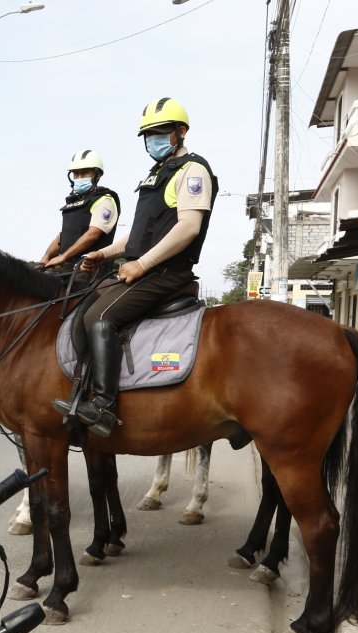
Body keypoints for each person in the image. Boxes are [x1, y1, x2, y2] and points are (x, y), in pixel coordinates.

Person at [55, 98, 217, 436]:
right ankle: (82, 388)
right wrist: (106, 254)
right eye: (148, 135)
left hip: (167, 273)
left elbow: (188, 227)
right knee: (82, 307)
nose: (153, 140)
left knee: (101, 319)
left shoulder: (192, 170)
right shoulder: (157, 174)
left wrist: (141, 265)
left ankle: (103, 406)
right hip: (144, 267)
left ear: (180, 132)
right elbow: (138, 235)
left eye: (160, 132)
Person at [38, 150, 120, 273]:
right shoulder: (73, 203)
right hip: (66, 268)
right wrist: (45, 257)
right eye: (76, 174)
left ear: (97, 175)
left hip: (90, 268)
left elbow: (93, 234)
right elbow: (62, 236)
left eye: (85, 173)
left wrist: (63, 256)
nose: (79, 178)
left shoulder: (105, 200)